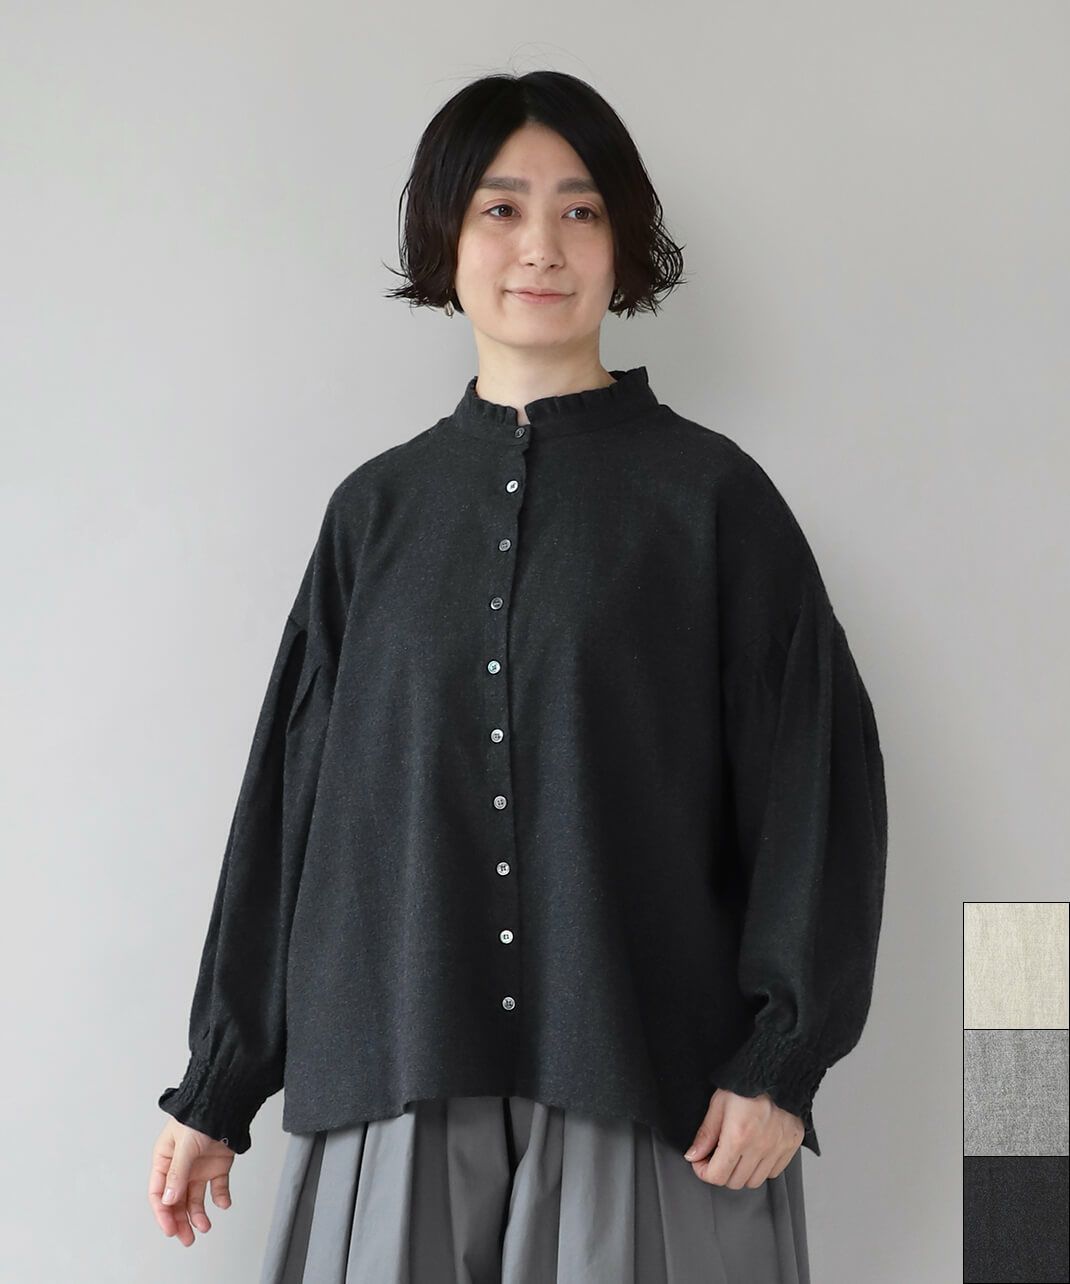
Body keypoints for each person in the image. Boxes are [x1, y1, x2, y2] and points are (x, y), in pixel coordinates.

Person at [148, 70, 888, 1283]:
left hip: (646, 1083)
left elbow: (818, 793)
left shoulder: (713, 502)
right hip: (392, 1077)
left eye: (580, 211)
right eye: (500, 209)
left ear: (621, 243)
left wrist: (780, 1062)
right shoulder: (373, 514)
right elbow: (287, 811)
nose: (541, 245)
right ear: (443, 238)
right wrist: (218, 1085)